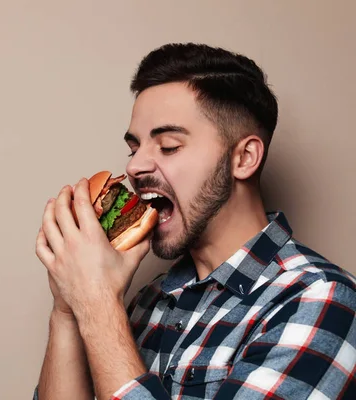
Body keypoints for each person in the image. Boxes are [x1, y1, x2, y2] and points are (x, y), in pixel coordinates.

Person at [32, 42, 356, 400]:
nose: (134, 167)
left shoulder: (320, 299)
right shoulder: (149, 302)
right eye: (133, 147)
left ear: (244, 158)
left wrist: (96, 301)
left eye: (168, 145)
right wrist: (67, 306)